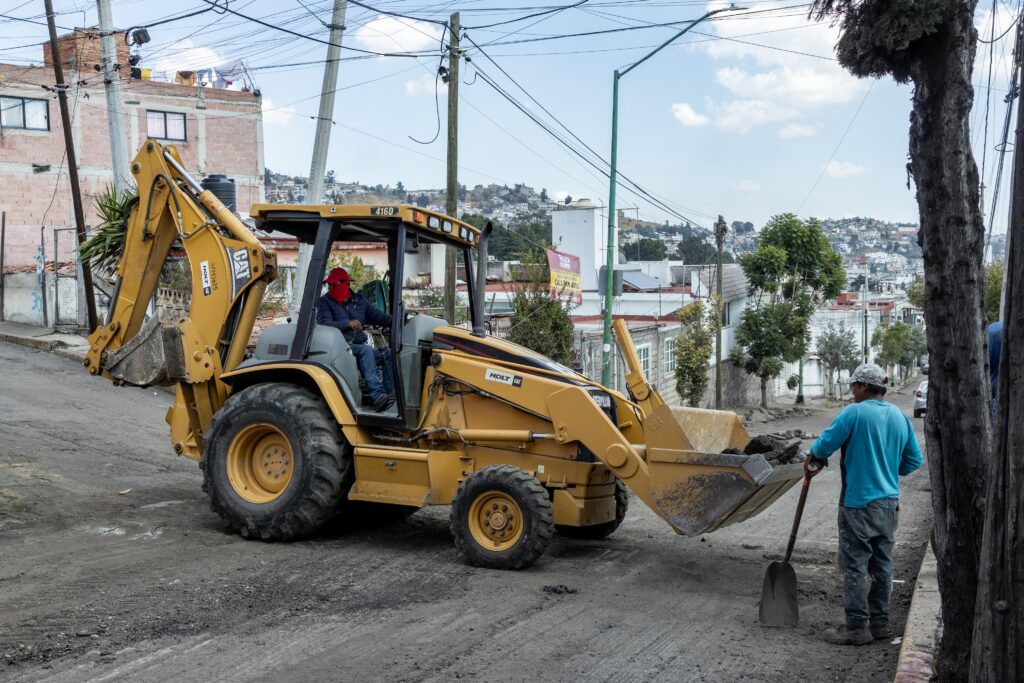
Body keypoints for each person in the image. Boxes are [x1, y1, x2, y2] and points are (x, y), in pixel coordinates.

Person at [805, 363, 922, 646]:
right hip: (889, 505)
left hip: (858, 505)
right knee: (882, 565)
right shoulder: (899, 416)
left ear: (865, 386)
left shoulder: (854, 413)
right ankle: (880, 624)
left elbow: (823, 446)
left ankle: (857, 627)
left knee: (855, 566)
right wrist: (887, 469)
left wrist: (813, 455)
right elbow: (913, 460)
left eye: (854, 386)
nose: (852, 392)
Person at [316, 267, 395, 411]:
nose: (330, 288)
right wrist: (347, 324)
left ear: (346, 284)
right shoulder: (324, 302)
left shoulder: (359, 300)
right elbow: (324, 324)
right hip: (340, 347)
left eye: (334, 284)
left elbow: (378, 316)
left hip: (357, 346)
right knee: (366, 350)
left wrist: (397, 321)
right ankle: (377, 395)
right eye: (329, 285)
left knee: (387, 354)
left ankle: (390, 396)